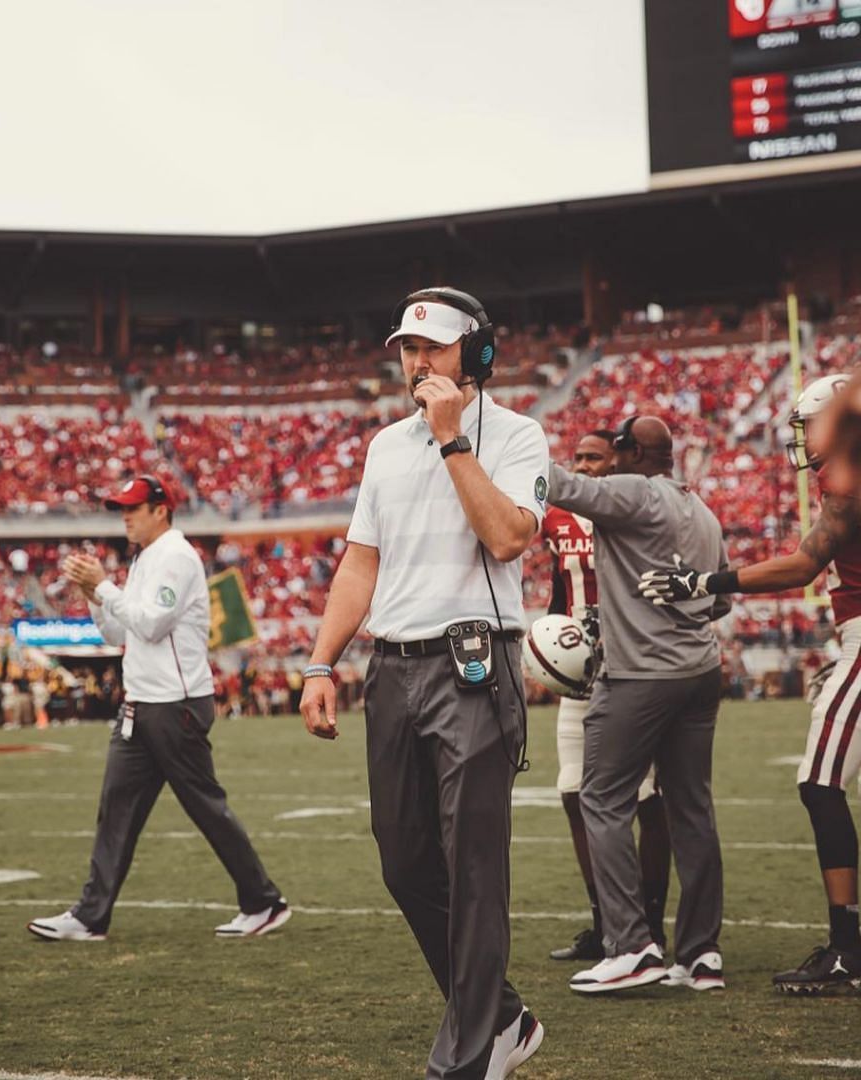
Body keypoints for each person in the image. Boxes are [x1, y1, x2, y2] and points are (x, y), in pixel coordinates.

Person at [301, 287, 547, 1079]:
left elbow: (509, 537)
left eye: (433, 348)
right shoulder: (382, 446)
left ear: (475, 355)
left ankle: (469, 1058)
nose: (416, 363)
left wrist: (452, 444)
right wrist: (319, 660)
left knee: (473, 866)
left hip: (475, 665)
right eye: (408, 349)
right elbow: (360, 561)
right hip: (392, 670)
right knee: (404, 861)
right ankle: (504, 1017)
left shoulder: (517, 436)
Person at [640, 373, 861, 993]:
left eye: (812, 425)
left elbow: (804, 563)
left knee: (820, 784)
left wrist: (707, 582)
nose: (805, 439)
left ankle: (847, 949)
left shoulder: (846, 478)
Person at [28, 473, 288, 943]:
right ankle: (91, 915)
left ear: (160, 510)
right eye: (122, 508)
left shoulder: (176, 557)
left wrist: (104, 588)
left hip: (175, 705)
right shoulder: (148, 558)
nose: (125, 516)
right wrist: (94, 598)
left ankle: (264, 901)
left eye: (133, 507)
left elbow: (150, 624)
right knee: (116, 809)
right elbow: (119, 635)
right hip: (144, 703)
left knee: (206, 807)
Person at [544, 414, 728, 995]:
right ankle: (701, 953)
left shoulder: (634, 491)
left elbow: (561, 485)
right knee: (691, 807)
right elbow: (718, 600)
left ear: (629, 454)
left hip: (641, 674)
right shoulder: (704, 511)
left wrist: (498, 439)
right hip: (701, 669)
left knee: (600, 797)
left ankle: (630, 945)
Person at [542, 430, 674, 963]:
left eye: (594, 457)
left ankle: (649, 925)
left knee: (645, 798)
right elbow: (558, 587)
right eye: (577, 458)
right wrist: (548, 646)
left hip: (633, 664)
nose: (584, 466)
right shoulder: (555, 517)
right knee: (573, 791)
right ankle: (604, 922)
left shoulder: (633, 508)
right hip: (580, 667)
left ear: (617, 460)